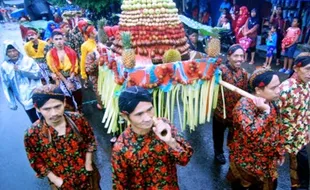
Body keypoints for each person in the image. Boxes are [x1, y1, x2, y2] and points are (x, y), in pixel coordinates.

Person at [112, 86, 193, 189]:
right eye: (139, 114)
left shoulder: (164, 125)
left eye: (149, 109)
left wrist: (170, 141)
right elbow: (120, 185)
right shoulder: (121, 148)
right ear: (124, 116)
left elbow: (184, 159)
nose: (147, 118)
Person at [24, 84, 101, 189]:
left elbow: (90, 141)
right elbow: (37, 162)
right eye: (47, 109)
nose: (54, 113)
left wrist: (88, 164)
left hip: (88, 176)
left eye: (57, 106)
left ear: (64, 102)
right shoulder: (33, 133)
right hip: (61, 182)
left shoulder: (77, 119)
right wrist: (56, 180)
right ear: (37, 108)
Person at [227, 69, 284, 190]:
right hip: (247, 164)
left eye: (279, 86)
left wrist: (279, 152)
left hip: (267, 163)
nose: (279, 90)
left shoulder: (272, 102)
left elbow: (276, 129)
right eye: (273, 88)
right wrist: (266, 112)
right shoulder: (243, 106)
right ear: (258, 90)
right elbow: (251, 132)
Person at [277, 53, 310, 190]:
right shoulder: (285, 88)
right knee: (271, 168)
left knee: (302, 166)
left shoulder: (307, 84)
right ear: (296, 68)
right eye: (307, 69)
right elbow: (273, 114)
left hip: (300, 136)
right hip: (284, 137)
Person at [213, 44, 248, 164]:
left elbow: (246, 92)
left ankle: (233, 154)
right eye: (236, 56)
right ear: (229, 57)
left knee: (234, 135)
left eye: (241, 56)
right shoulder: (220, 70)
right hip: (220, 110)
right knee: (218, 134)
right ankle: (218, 152)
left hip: (236, 112)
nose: (239, 59)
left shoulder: (244, 73)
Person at [0, 40, 41, 123]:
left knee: (45, 115)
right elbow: (6, 85)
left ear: (18, 50)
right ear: (6, 53)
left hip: (37, 93)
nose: (12, 53)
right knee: (35, 121)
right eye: (9, 52)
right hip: (23, 97)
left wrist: (22, 71)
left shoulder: (28, 61)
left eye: (14, 50)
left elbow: (38, 74)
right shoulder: (4, 66)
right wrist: (11, 101)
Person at [46, 30, 83, 112]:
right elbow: (54, 69)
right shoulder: (50, 54)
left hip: (72, 76)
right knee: (67, 99)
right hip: (61, 78)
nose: (59, 41)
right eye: (56, 39)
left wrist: (71, 78)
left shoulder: (71, 51)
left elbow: (75, 66)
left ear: (63, 39)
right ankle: (72, 113)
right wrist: (66, 82)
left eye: (60, 39)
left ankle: (80, 111)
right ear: (52, 40)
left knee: (78, 95)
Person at [80, 25, 103, 109]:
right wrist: (84, 75)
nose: (96, 31)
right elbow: (83, 61)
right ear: (90, 33)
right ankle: (101, 104)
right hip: (94, 71)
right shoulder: (85, 45)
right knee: (98, 89)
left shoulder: (100, 42)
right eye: (94, 30)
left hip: (104, 71)